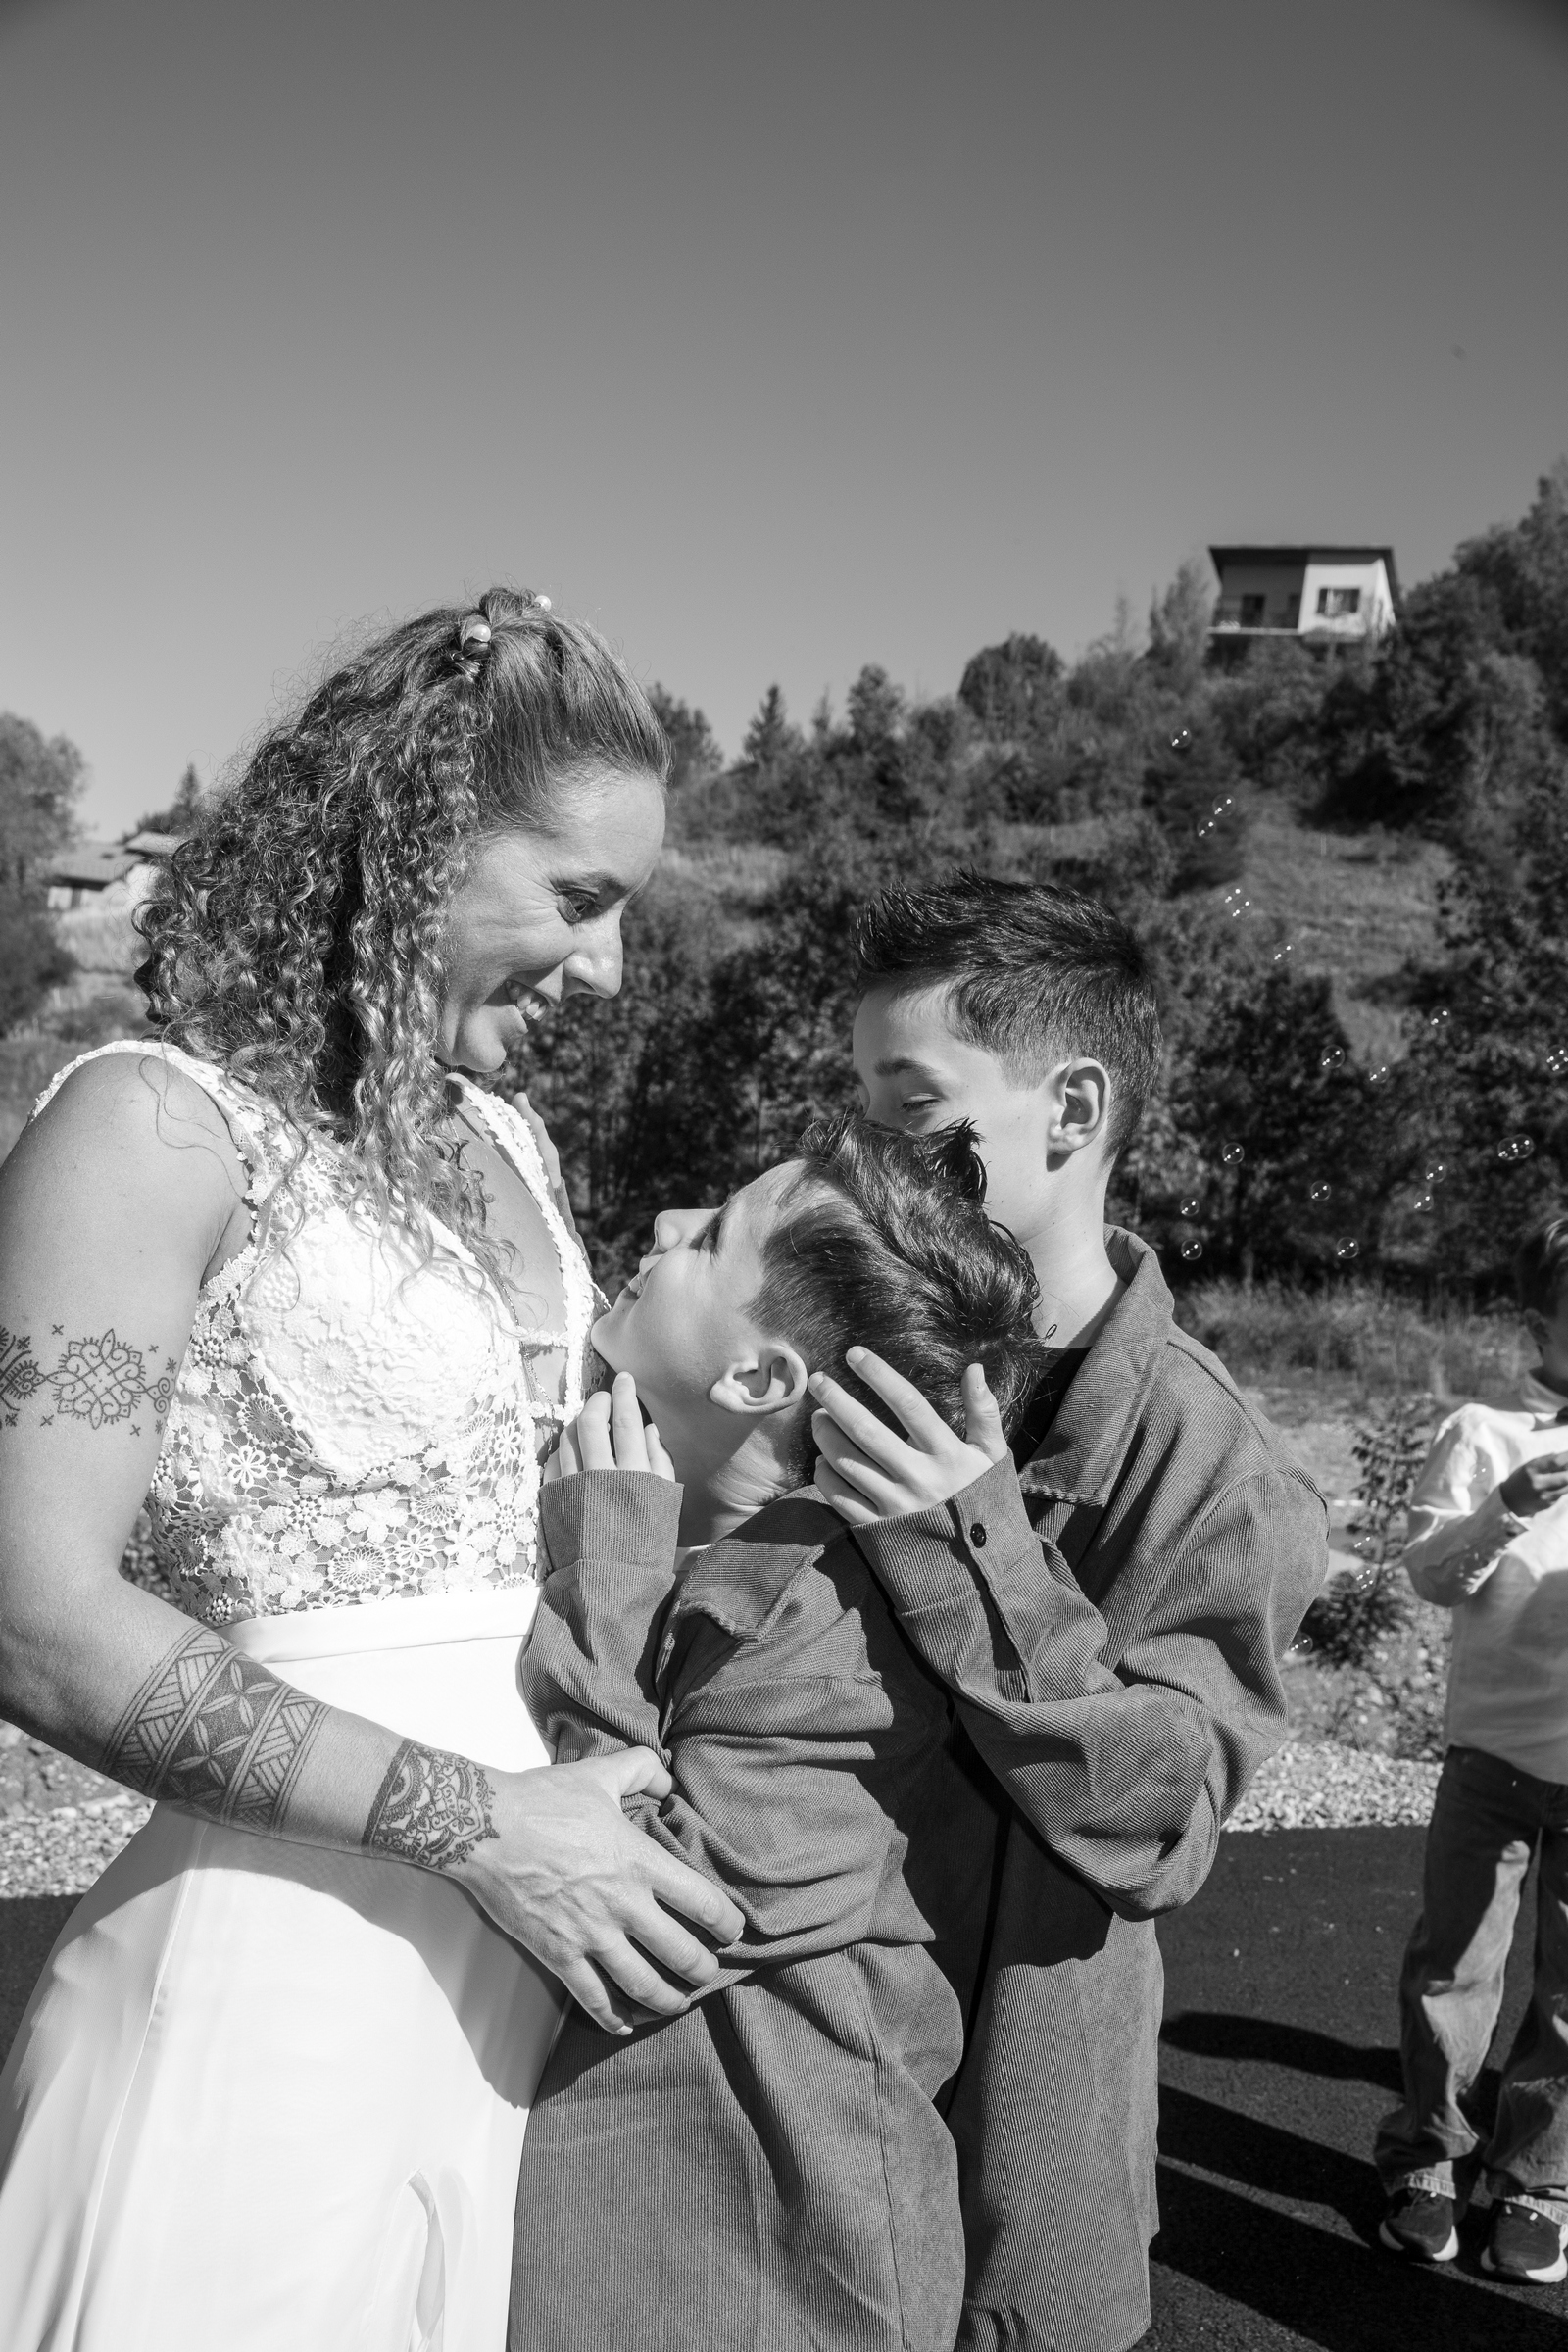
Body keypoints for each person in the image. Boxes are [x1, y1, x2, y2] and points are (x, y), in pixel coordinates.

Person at [0, 589, 744, 2352]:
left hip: (511, 1991)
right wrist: (485, 1830)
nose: (610, 971)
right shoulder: (151, 1126)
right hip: (271, 1980)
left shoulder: (505, 1143)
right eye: (580, 898)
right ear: (411, 838)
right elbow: (32, 1612)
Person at [808, 873, 1328, 2352]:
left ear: (1073, 1108)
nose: (864, 1155)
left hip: (1010, 2153)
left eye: (912, 1105)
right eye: (859, 1104)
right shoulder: (844, 1358)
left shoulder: (1218, 1466)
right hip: (810, 2103)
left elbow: (1161, 1827)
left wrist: (971, 1542)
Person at [509, 1117, 1050, 2352]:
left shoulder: (826, 1613)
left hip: (775, 2249)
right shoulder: (689, 1538)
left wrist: (604, 1564)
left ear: (757, 1382)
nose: (660, 1227)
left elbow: (657, 1905)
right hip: (664, 2225)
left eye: (707, 1238)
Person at [1374, 1212, 1568, 2286]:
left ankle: (1539, 2178)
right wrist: (1505, 1507)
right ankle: (1429, 2156)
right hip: (1491, 1759)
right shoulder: (1483, 1432)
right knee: (1454, 1971)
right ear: (1538, 1323)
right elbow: (1430, 1576)